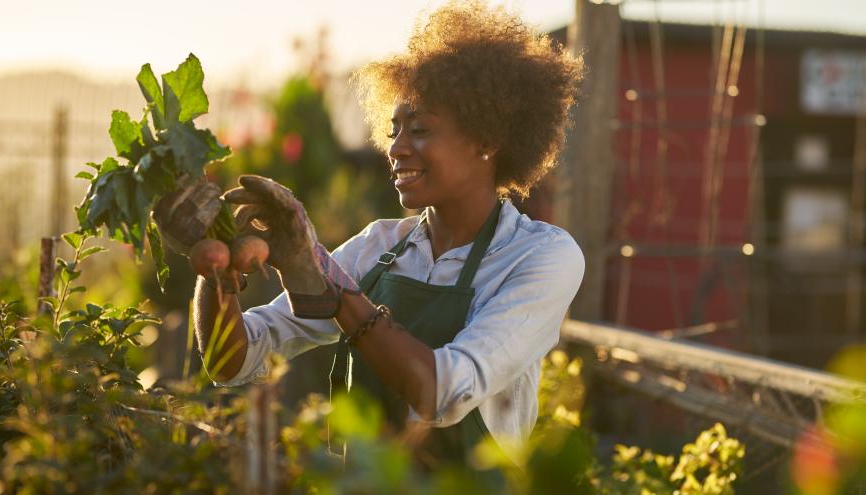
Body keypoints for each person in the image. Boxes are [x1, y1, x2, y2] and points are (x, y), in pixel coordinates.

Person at [155, 0, 585, 469]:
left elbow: (443, 391)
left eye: (419, 130)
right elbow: (231, 362)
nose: (396, 148)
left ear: (487, 140)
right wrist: (215, 263)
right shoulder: (379, 247)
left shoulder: (540, 257)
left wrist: (334, 289)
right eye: (393, 129)